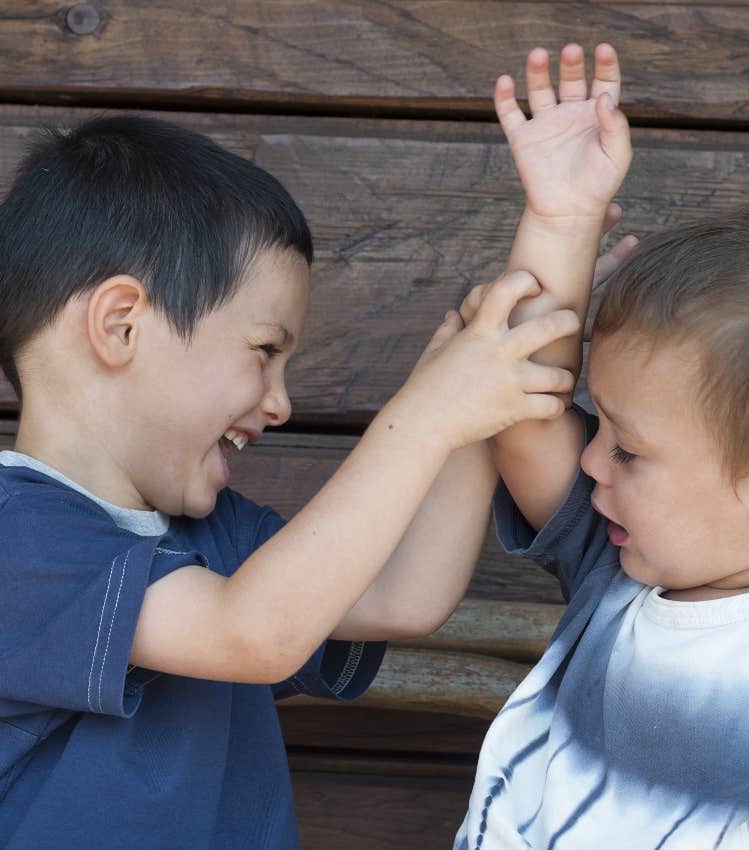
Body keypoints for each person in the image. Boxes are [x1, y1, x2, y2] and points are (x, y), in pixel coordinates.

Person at [0, 105, 594, 848]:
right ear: (122, 325)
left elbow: (401, 594)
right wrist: (430, 415)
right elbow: (253, 633)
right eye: (263, 349)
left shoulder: (214, 536)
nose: (280, 403)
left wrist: (558, 233)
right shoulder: (14, 540)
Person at [453, 42, 749, 850]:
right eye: (598, 427)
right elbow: (524, 414)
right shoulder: (617, 573)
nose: (592, 460)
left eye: (628, 449)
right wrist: (562, 222)